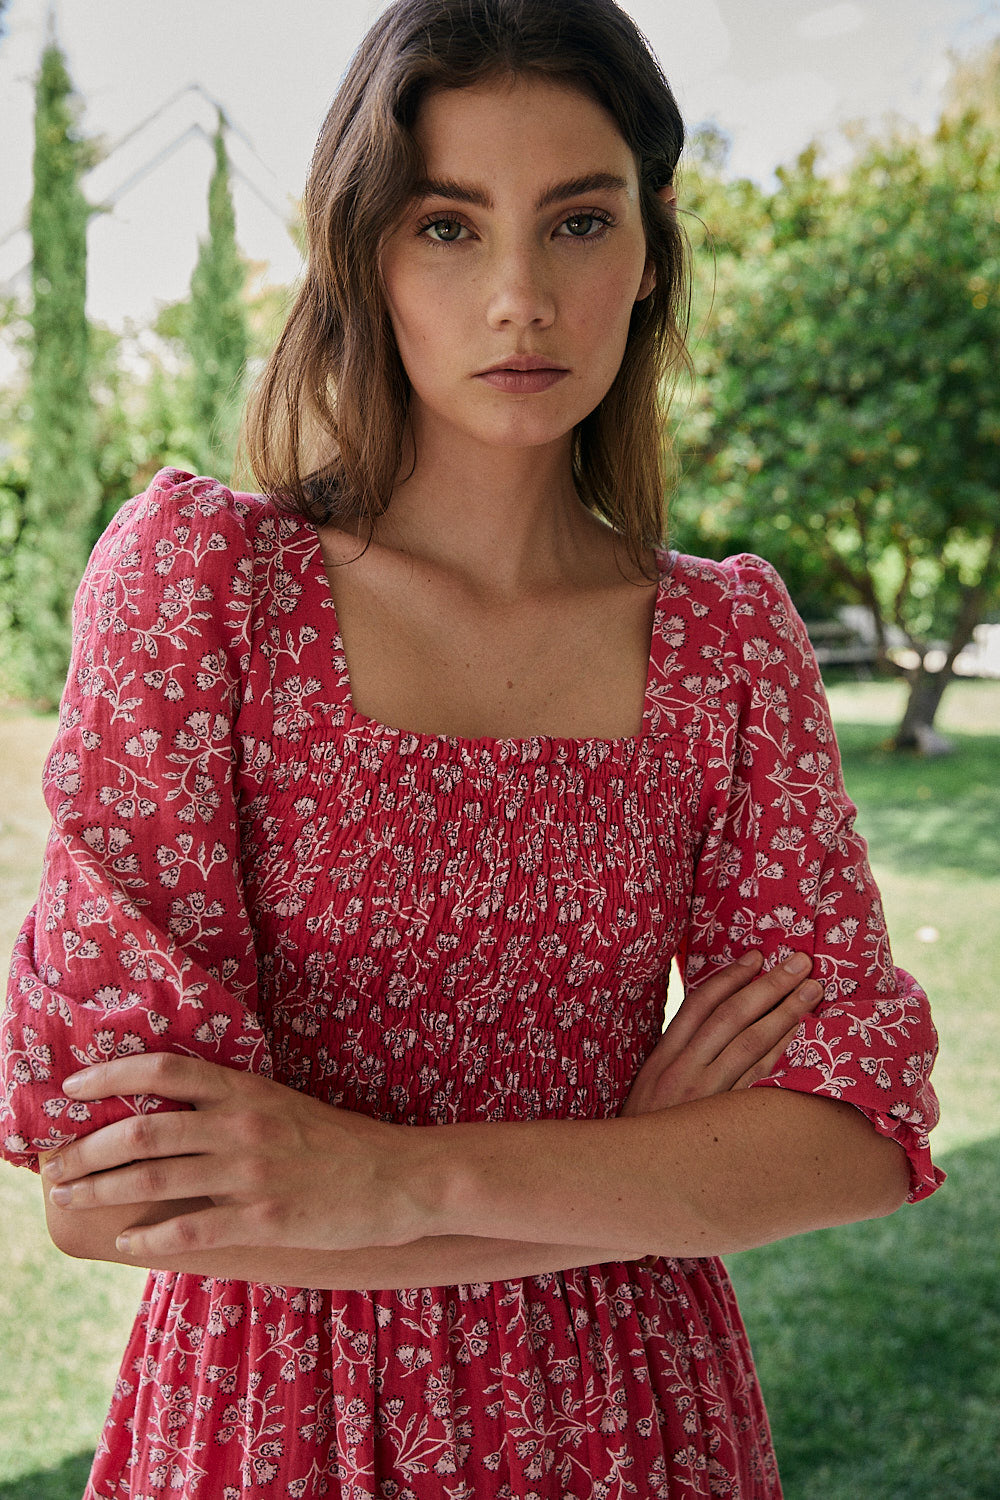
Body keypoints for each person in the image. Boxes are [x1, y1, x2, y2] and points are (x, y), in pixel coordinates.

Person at [0, 1, 942, 1495]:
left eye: (578, 221)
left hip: (645, 1423)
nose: (522, 297)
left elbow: (858, 1133)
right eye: (449, 227)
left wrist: (375, 1178)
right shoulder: (206, 591)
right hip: (278, 1423)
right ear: (366, 253)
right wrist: (646, 1178)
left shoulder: (725, 641)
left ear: (650, 250)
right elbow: (114, 1190)